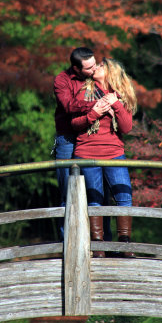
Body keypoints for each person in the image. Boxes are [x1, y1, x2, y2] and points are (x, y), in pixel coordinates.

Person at [71, 58, 137, 258]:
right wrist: (94, 113)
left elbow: (126, 127)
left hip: (114, 153)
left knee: (124, 196)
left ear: (111, 72)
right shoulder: (84, 92)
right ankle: (98, 246)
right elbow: (74, 124)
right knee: (95, 199)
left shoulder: (120, 96)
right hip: (87, 151)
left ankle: (125, 245)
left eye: (101, 65)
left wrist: (115, 104)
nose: (96, 67)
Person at [53, 47, 112, 240]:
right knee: (68, 192)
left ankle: (105, 243)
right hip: (69, 138)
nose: (94, 68)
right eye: (89, 68)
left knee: (100, 193)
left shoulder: (97, 76)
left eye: (95, 64)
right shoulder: (62, 80)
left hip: (94, 137)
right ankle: (67, 243)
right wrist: (96, 106)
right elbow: (69, 106)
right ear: (76, 69)